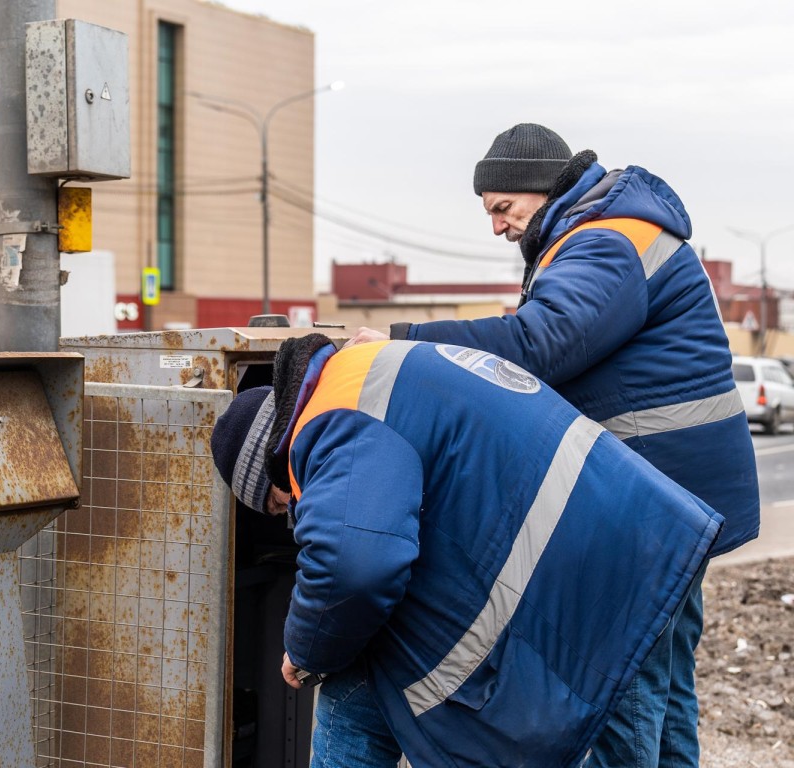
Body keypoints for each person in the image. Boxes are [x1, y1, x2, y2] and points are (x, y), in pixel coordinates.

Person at [345, 123, 760, 767]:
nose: (498, 227)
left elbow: (544, 342)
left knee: (629, 676)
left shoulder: (602, 241)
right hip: (679, 488)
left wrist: (404, 341)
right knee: (667, 675)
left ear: (541, 190)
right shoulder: (606, 231)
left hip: (648, 497)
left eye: (503, 209)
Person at [211, 332, 722, 768]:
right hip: (643, 530)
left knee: (626, 746)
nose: (291, 511)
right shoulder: (365, 371)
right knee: (654, 735)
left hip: (612, 568)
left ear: (270, 474)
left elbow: (355, 566)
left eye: (279, 507)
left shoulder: (327, 422)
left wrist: (306, 650)